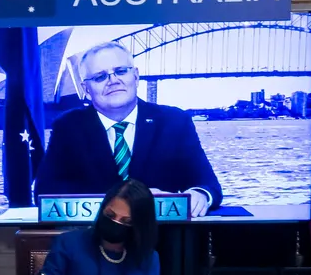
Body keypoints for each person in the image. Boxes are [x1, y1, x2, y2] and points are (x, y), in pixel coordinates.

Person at [35, 42, 221, 216]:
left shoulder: (174, 121)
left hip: (162, 240)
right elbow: (45, 193)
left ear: (136, 76)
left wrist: (200, 195)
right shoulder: (67, 127)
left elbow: (207, 184)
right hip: (93, 240)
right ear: (86, 89)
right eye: (100, 77)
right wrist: (125, 202)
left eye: (121, 71)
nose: (113, 81)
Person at [32, 180, 162, 275]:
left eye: (126, 221)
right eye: (110, 215)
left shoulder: (148, 258)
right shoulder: (68, 244)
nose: (115, 223)